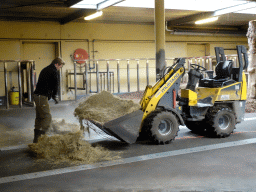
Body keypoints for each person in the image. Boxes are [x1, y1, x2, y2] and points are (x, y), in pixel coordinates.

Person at [33, 57, 65, 143]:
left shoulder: (45, 69)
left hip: (37, 95)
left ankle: (36, 139)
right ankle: (42, 139)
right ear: (56, 64)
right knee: (47, 117)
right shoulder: (54, 71)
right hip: (42, 96)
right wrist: (54, 96)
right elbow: (55, 85)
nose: (59, 68)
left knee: (39, 116)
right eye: (60, 66)